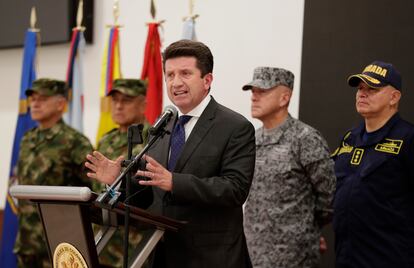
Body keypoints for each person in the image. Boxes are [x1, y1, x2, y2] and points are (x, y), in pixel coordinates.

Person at [86, 39, 256, 267]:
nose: (176, 82)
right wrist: (117, 182)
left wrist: (174, 181)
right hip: (160, 253)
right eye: (170, 75)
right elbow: (149, 190)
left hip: (210, 257)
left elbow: (235, 189)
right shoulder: (163, 125)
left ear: (207, 80)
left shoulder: (234, 127)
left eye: (185, 73)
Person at [242, 67, 336, 268]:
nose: (254, 98)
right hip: (253, 251)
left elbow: (328, 196)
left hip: (293, 255)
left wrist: (307, 227)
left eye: (262, 91)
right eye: (253, 91)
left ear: (284, 98)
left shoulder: (305, 138)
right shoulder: (252, 139)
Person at [332, 61, 414, 267]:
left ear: (394, 97)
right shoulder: (349, 138)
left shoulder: (408, 139)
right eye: (360, 88)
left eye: (373, 89)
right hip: (347, 257)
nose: (362, 93)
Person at [14, 78, 93, 268]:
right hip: (27, 240)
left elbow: (91, 191)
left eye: (42, 98)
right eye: (33, 99)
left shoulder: (75, 142)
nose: (35, 103)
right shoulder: (28, 139)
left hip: (59, 243)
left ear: (60, 104)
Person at [93, 78, 151, 267]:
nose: (118, 106)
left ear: (143, 104)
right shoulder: (106, 140)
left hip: (133, 242)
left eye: (126, 100)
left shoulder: (154, 139)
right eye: (115, 100)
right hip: (102, 241)